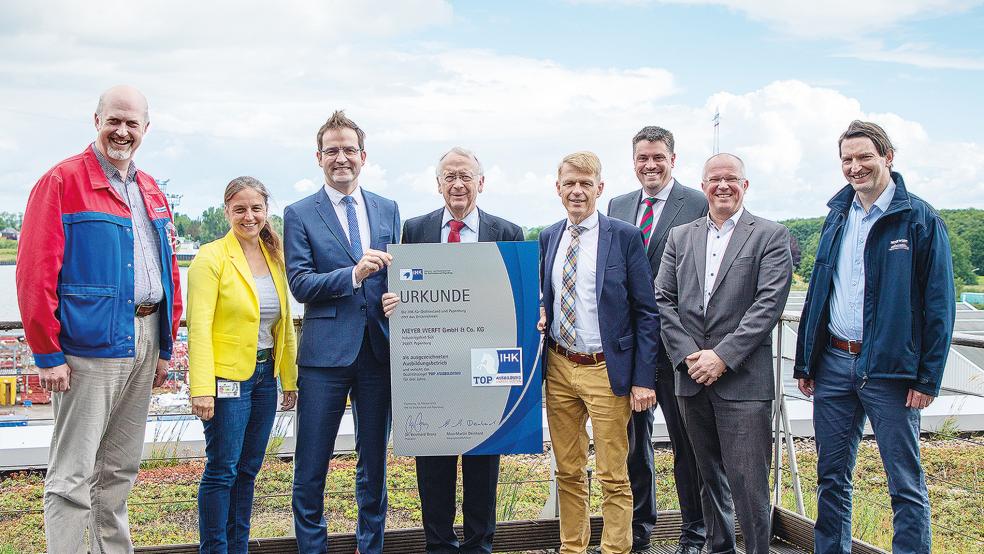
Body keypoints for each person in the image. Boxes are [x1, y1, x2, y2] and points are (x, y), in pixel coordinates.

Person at [16, 85, 182, 553]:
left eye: (132, 123)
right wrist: (48, 353)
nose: (122, 131)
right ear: (96, 120)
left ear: (146, 129)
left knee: (120, 470)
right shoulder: (62, 182)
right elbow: (34, 273)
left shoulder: (151, 190)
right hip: (89, 345)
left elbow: (168, 269)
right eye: (114, 120)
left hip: (145, 336)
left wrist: (165, 344)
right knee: (72, 475)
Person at [794, 120, 955, 554]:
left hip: (890, 371)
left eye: (864, 156)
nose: (855, 166)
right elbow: (819, 290)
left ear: (887, 156)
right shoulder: (838, 215)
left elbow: (939, 306)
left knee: (903, 480)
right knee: (831, 476)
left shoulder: (918, 218)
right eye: (847, 159)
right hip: (833, 365)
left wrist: (928, 378)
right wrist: (806, 360)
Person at [381, 147, 524, 554]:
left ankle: (480, 545)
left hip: (486, 364)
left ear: (482, 182)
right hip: (433, 363)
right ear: (437, 183)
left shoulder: (508, 232)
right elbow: (406, 287)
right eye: (449, 177)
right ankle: (438, 545)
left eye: (465, 176)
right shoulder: (416, 228)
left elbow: (521, 295)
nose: (457, 184)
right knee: (433, 463)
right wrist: (395, 302)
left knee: (483, 462)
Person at [655, 153, 792, 554]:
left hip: (743, 381)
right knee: (706, 475)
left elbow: (768, 305)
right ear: (703, 186)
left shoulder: (770, 235)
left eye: (731, 178)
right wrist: (690, 356)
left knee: (748, 482)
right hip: (691, 377)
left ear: (745, 185)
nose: (723, 186)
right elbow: (662, 299)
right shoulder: (681, 236)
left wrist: (722, 356)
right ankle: (719, 548)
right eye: (714, 179)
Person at [285, 110, 401, 554]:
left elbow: (400, 273)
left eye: (349, 150)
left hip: (377, 352)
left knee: (374, 466)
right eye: (332, 150)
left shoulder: (387, 209)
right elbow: (299, 283)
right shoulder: (299, 214)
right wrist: (351, 276)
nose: (341, 158)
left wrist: (398, 299)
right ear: (319, 157)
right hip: (323, 360)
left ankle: (369, 548)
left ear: (363, 156)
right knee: (311, 467)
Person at [537, 151, 660, 554]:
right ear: (558, 189)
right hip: (558, 366)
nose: (577, 191)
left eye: (585, 184)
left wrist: (644, 379)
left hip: (606, 370)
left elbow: (646, 312)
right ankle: (572, 547)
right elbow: (547, 296)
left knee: (613, 474)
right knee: (568, 471)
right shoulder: (549, 236)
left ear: (599, 188)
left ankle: (615, 549)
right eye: (569, 183)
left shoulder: (623, 236)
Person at [607, 126, 708, 554]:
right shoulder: (617, 205)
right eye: (642, 158)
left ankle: (694, 532)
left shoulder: (698, 203)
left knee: (689, 446)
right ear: (633, 161)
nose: (650, 165)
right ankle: (639, 530)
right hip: (630, 350)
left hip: (677, 346)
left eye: (658, 158)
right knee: (633, 447)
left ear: (673, 159)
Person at [187, 176, 298, 553]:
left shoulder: (275, 257)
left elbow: (285, 325)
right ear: (226, 212)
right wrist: (201, 387)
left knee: (249, 470)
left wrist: (290, 379)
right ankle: (214, 549)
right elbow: (198, 326)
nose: (249, 216)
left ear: (266, 212)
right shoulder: (211, 256)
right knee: (222, 470)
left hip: (266, 377)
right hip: (226, 380)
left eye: (256, 209)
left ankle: (240, 547)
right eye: (240, 209)